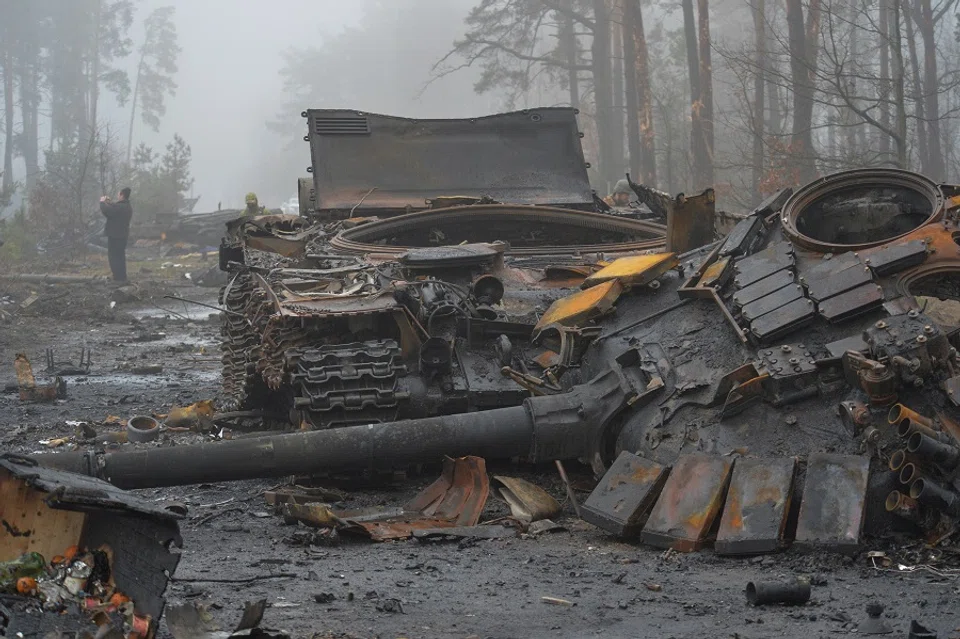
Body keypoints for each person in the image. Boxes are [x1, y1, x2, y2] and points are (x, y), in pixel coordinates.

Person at [99, 187, 133, 282]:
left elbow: (107, 211)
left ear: (122, 194)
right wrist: (109, 203)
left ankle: (117, 278)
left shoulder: (121, 207)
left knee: (114, 257)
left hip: (115, 236)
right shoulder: (127, 206)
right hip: (123, 236)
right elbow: (115, 208)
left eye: (118, 194)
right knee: (120, 257)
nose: (117, 196)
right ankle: (122, 277)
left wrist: (102, 202)